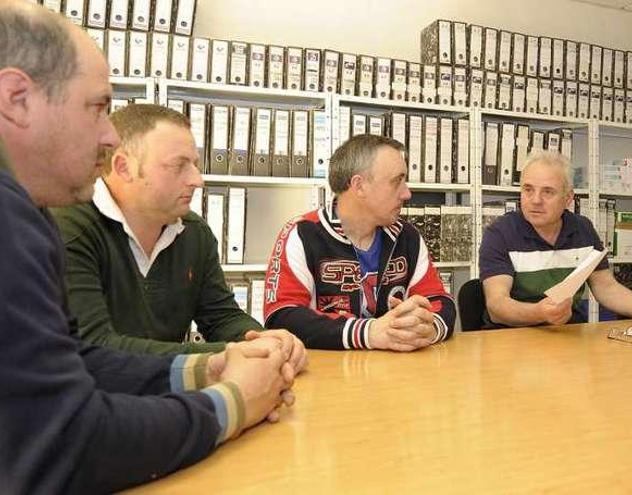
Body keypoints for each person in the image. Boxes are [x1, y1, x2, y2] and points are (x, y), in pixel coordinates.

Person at [0, 3, 299, 492]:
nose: (110, 134)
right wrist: (234, 402)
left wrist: (213, 365)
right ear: (16, 98)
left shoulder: (29, 213)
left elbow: (77, 360)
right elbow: (69, 442)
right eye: (97, 107)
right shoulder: (21, 218)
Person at [50, 104, 308, 360]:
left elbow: (221, 317)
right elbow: (94, 348)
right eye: (179, 166)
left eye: (195, 164)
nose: (198, 180)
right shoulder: (69, 229)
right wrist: (230, 355)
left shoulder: (194, 233)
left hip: (164, 391)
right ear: (123, 168)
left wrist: (264, 341)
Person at [264, 134, 456, 350]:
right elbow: (281, 317)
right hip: (325, 376)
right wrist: (369, 333)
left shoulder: (407, 236)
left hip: (396, 375)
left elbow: (441, 301)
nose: (407, 193)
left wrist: (427, 328)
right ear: (359, 186)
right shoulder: (302, 233)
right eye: (397, 181)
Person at [479, 151, 632, 328]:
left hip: (567, 335)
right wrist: (540, 313)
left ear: (568, 198)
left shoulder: (582, 228)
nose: (535, 200)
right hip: (510, 338)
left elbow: (606, 288)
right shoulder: (500, 233)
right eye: (528, 190)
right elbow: (497, 306)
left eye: (548, 192)